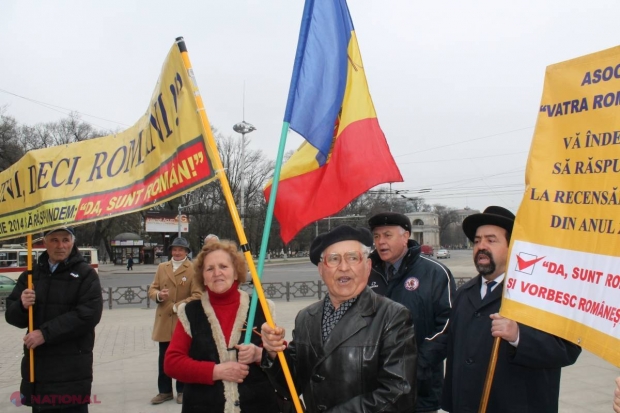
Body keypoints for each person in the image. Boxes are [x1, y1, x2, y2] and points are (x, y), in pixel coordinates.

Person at [261, 225, 417, 411]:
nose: (344, 267)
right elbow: (291, 385)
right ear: (321, 269)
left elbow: (399, 393)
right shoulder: (306, 318)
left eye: (352, 258)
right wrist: (273, 352)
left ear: (367, 266)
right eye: (333, 259)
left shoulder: (392, 316)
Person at [441, 206, 582, 413]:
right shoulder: (464, 294)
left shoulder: (541, 294)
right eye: (477, 240)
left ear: (513, 246)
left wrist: (518, 336)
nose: (481, 246)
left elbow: (567, 349)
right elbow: (455, 359)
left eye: (491, 240)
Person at [164, 240, 282, 412]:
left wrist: (259, 354)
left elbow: (281, 359)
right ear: (202, 276)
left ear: (236, 272)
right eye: (209, 268)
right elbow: (172, 363)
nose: (216, 273)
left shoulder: (262, 308)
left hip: (258, 405)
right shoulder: (190, 312)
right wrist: (215, 371)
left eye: (223, 266)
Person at [5, 226, 103, 412]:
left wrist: (45, 333)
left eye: (65, 240)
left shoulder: (85, 274)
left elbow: (88, 315)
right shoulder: (31, 274)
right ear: (44, 242)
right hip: (38, 369)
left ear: (73, 242)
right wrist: (21, 305)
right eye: (54, 240)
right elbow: (12, 317)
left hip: (71, 369)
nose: (60, 246)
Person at [367, 212, 456, 413]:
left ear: (405, 236)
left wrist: (417, 365)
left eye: (387, 235)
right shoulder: (366, 272)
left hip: (420, 389)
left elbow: (449, 325)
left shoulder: (434, 273)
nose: (381, 242)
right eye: (376, 236)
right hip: (374, 390)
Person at [148, 237, 202, 405]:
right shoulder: (162, 267)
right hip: (164, 320)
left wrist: (177, 306)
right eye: (174, 249)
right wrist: (158, 295)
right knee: (163, 357)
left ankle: (182, 390)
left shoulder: (193, 269)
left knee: (182, 357)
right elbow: (153, 288)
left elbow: (197, 295)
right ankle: (164, 391)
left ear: (187, 252)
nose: (177, 252)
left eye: (181, 249)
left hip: (182, 319)